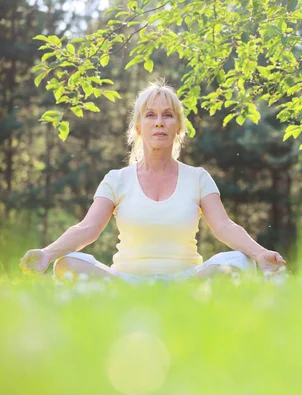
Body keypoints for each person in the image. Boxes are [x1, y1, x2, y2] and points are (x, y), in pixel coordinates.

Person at [19, 80, 286, 282]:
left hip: (186, 281)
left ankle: (184, 297)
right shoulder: (116, 180)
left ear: (178, 127)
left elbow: (224, 226)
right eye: (150, 115)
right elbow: (87, 228)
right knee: (66, 264)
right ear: (138, 127)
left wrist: (260, 253)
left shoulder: (198, 178)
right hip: (125, 283)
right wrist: (48, 253)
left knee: (240, 260)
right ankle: (125, 297)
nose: (159, 122)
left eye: (168, 115)